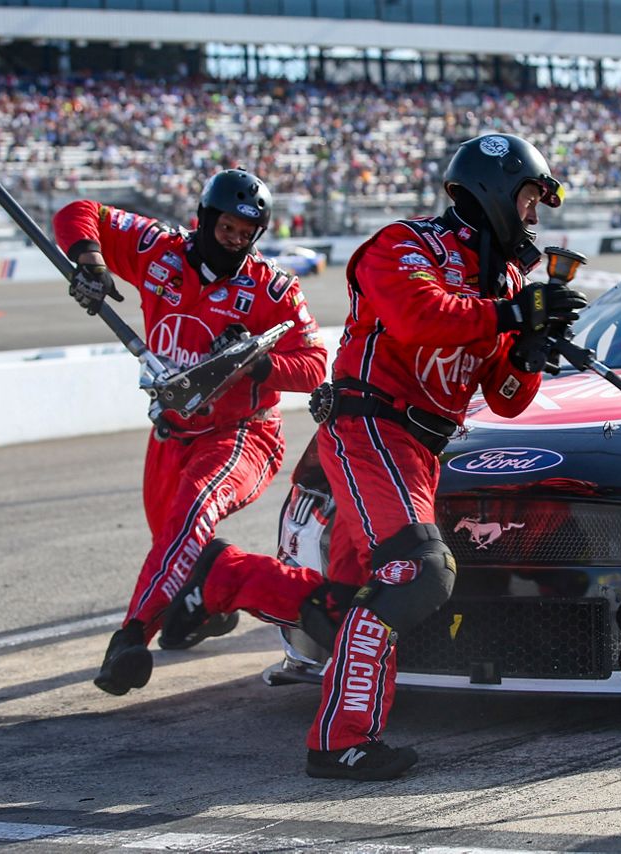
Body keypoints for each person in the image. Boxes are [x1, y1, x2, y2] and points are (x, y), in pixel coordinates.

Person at [158, 133, 587, 781]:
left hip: (423, 447)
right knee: (419, 572)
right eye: (531, 199)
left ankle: (218, 577)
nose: (534, 217)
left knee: (347, 601)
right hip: (371, 426)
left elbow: (504, 398)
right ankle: (339, 741)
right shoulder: (405, 244)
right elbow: (420, 316)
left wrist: (530, 345)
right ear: (498, 193)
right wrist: (510, 311)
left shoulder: (502, 279)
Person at [52, 168, 328, 697]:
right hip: (169, 435)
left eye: (247, 232)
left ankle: (131, 637)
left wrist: (253, 361)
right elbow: (77, 211)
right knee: (185, 551)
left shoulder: (273, 287)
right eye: (227, 227)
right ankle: (299, 601)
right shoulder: (159, 251)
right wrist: (89, 260)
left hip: (243, 434)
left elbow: (315, 365)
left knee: (191, 517)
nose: (236, 239)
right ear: (205, 218)